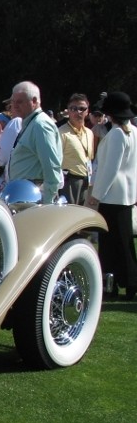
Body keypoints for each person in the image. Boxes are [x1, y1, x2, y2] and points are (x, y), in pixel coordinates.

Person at [85, 91, 137, 299]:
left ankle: (117, 282)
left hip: (112, 196)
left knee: (112, 244)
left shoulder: (116, 134)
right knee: (123, 242)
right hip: (124, 195)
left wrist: (96, 194)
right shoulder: (132, 131)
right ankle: (124, 282)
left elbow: (110, 169)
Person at [7, 81, 63, 205]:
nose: (14, 106)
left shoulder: (40, 125)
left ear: (34, 101)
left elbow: (51, 165)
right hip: (25, 193)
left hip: (35, 197)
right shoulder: (31, 123)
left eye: (19, 102)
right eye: (13, 101)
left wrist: (48, 201)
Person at [58, 93, 95, 204]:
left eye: (82, 109)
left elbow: (89, 158)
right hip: (68, 181)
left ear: (87, 112)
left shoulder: (89, 133)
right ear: (68, 111)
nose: (78, 112)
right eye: (73, 108)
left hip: (86, 180)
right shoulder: (61, 133)